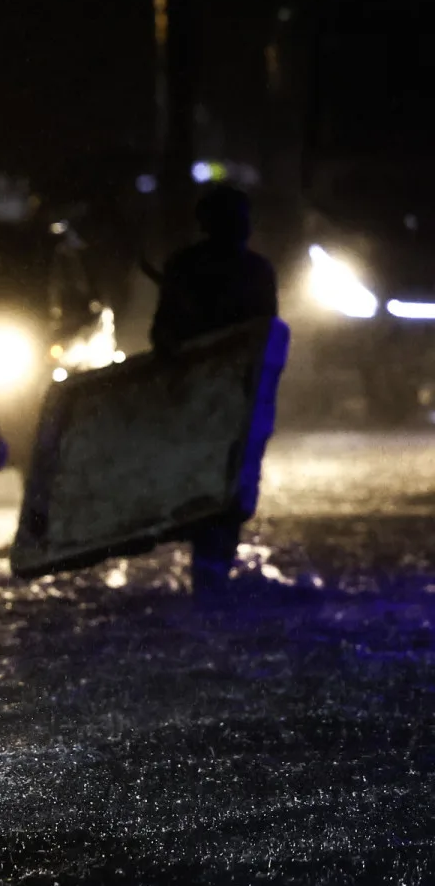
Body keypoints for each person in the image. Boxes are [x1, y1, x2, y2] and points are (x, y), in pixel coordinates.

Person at [151, 185, 279, 599]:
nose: (241, 226)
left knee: (229, 490)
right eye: (231, 217)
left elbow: (268, 338)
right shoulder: (187, 268)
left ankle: (213, 574)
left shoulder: (256, 271)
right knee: (208, 489)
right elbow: (163, 335)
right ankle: (209, 576)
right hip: (198, 402)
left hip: (236, 401)